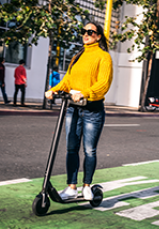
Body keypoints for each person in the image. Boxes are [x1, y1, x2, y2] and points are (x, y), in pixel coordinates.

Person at [45, 22, 113, 200]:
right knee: (71, 148)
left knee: (89, 150)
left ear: (98, 36)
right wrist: (54, 89)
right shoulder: (78, 56)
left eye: (90, 32)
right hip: (73, 109)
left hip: (92, 110)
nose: (86, 34)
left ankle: (87, 186)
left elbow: (103, 84)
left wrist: (86, 93)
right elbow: (68, 80)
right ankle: (71, 187)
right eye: (84, 31)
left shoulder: (104, 57)